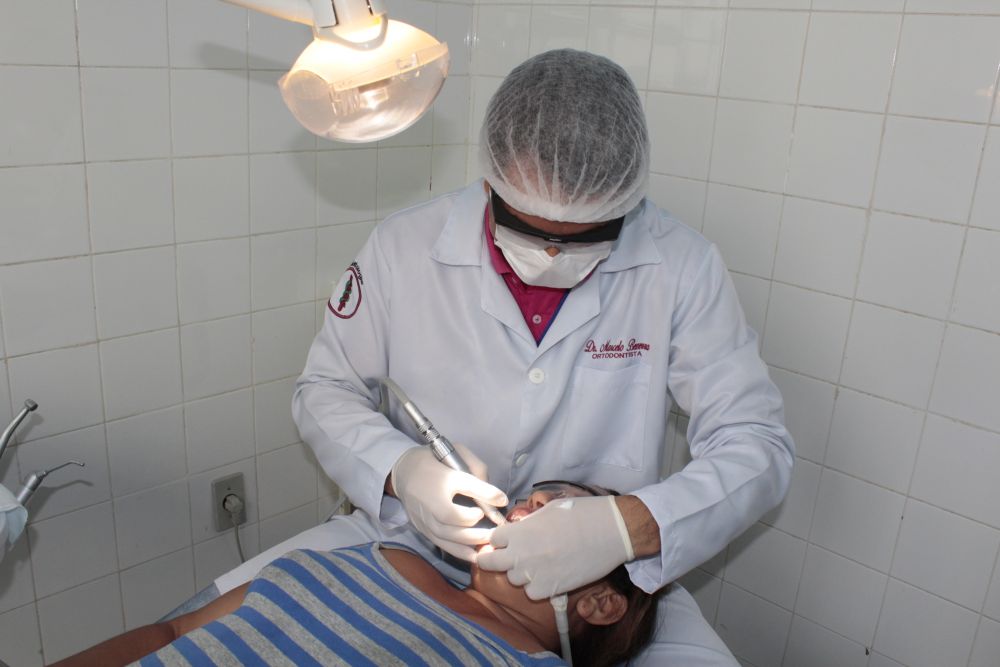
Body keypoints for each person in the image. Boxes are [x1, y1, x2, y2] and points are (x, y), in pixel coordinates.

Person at [218, 48, 794, 666]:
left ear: (625, 206)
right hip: (410, 538)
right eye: (531, 229)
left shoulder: (681, 267)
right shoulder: (404, 247)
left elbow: (755, 444)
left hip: (598, 576)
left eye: (586, 238)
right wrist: (400, 471)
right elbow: (324, 389)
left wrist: (627, 528)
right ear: (491, 183)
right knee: (231, 620)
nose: (553, 255)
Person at [51, 482, 658, 667]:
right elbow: (172, 634)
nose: (532, 504)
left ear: (602, 604)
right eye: (536, 497)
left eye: (564, 517)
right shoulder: (384, 557)